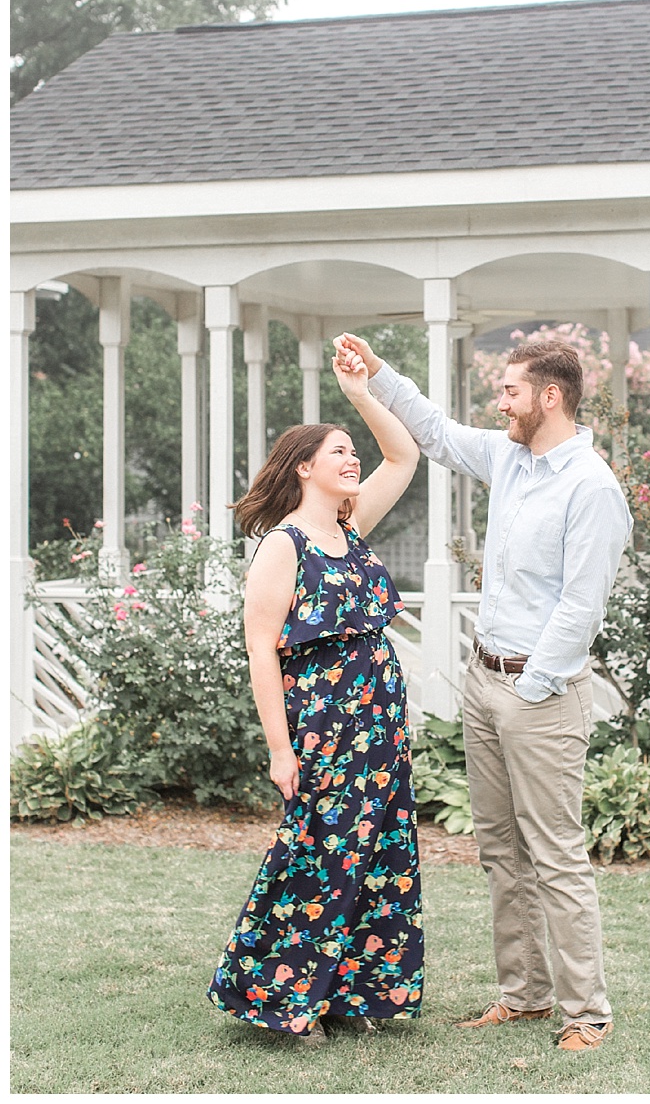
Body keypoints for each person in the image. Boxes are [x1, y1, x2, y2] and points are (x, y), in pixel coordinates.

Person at [334, 331, 630, 1053]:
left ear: (549, 397)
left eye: (510, 392)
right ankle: (523, 996)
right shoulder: (511, 459)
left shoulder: (590, 486)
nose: (500, 403)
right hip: (483, 680)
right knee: (500, 849)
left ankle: (585, 1013)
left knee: (555, 854)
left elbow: (581, 605)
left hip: (541, 694)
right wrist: (375, 373)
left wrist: (530, 686)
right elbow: (432, 432)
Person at [209, 351, 422, 1042]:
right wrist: (279, 748)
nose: (353, 458)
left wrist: (359, 394)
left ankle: (352, 996)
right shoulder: (285, 544)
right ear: (303, 466)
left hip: (380, 726)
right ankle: (285, 1001)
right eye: (338, 451)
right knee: (320, 854)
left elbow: (405, 453)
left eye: (352, 451)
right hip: (324, 726)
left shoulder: (352, 529)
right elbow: (261, 649)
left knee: (377, 852)